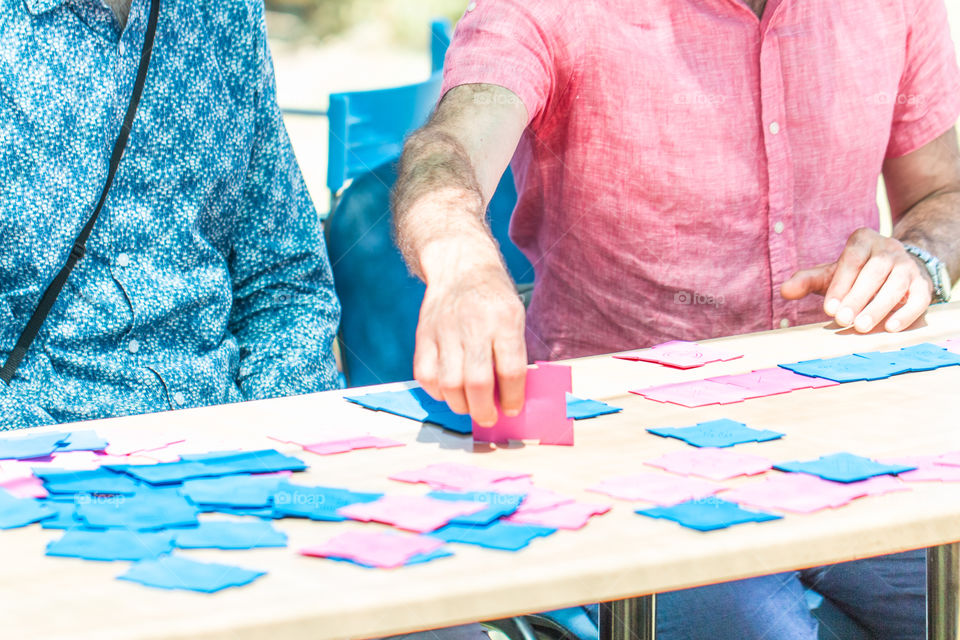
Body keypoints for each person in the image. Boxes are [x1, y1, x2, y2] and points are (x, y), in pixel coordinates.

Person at [393, 0, 960, 637]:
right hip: (615, 448)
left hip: (844, 430)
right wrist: (462, 260)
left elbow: (944, 193)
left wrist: (918, 258)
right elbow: (443, 151)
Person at [0, 0, 341, 429]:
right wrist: (43, 459)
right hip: (43, 450)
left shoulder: (224, 13)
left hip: (228, 441)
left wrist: (276, 432)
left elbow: (284, 281)